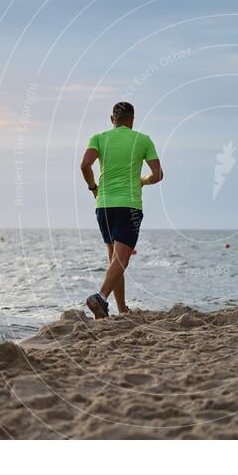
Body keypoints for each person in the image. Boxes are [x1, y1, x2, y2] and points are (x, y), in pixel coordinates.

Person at [80, 101, 163, 318]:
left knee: (114, 260)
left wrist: (93, 188)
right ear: (132, 120)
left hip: (103, 206)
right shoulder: (143, 140)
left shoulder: (98, 138)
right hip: (129, 205)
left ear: (112, 120)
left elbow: (85, 165)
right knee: (122, 260)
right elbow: (158, 174)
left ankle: (121, 309)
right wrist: (143, 181)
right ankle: (100, 297)